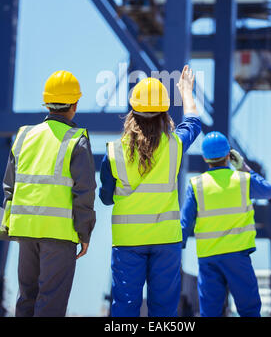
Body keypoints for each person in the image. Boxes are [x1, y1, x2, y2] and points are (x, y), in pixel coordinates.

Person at [99, 65, 202, 317]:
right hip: (166, 241)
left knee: (124, 308)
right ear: (164, 113)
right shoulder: (175, 146)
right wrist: (186, 92)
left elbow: (104, 198)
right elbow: (193, 123)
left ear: (132, 112)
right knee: (164, 310)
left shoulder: (114, 151)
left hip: (127, 242)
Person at [1, 70, 96, 317]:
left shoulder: (23, 136)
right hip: (59, 234)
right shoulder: (77, 140)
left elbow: (9, 187)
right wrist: (84, 232)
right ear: (75, 104)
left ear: (46, 103)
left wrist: (8, 225)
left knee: (26, 300)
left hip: (25, 231)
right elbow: (84, 191)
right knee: (50, 304)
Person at [181, 131, 271, 317]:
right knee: (249, 310)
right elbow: (269, 192)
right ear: (229, 155)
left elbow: (185, 222)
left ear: (205, 158)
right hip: (237, 257)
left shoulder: (196, 185)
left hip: (209, 258)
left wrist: (178, 246)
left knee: (210, 312)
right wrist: (244, 167)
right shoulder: (242, 180)